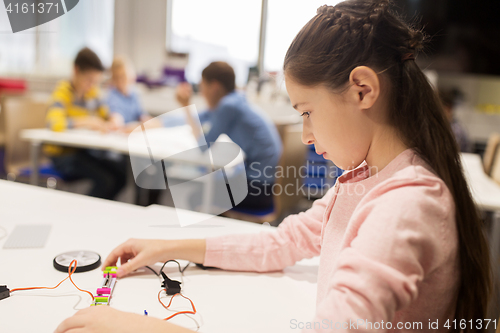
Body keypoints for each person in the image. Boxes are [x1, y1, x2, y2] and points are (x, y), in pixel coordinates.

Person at [55, 1, 491, 332]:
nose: (304, 135)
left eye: (307, 112)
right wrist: (169, 247)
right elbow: (282, 243)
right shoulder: (362, 179)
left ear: (362, 90)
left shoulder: (408, 205)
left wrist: (145, 326)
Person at [176, 61, 283, 212]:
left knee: (196, 196)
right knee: (215, 181)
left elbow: (203, 145)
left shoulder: (228, 106)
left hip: (257, 190)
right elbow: (201, 116)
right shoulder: (236, 100)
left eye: (202, 87)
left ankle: (212, 233)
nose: (202, 92)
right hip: (265, 185)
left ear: (214, 87)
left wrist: (185, 105)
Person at [45, 47, 127, 200]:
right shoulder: (63, 92)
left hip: (84, 152)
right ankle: (83, 213)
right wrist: (88, 122)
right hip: (63, 155)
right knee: (106, 181)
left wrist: (115, 119)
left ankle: (100, 211)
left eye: (95, 81)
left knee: (122, 174)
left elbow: (107, 114)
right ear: (76, 71)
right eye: (89, 80)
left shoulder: (92, 94)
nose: (91, 85)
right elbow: (54, 123)